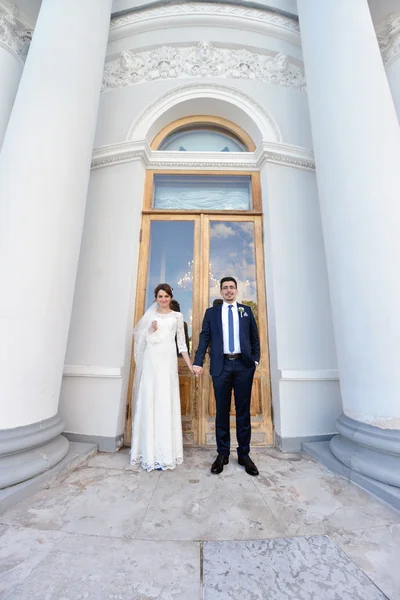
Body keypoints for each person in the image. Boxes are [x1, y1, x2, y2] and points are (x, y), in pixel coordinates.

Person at [193, 277, 260, 476]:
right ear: (220, 291)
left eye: (232, 287)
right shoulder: (211, 313)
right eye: (225, 288)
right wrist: (197, 361)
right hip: (220, 366)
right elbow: (204, 337)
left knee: (243, 411)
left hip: (243, 365)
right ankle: (222, 454)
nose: (229, 291)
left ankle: (244, 455)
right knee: (221, 411)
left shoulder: (246, 311)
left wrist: (254, 360)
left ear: (236, 290)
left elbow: (255, 337)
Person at [130, 283, 194, 471]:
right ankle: (148, 452)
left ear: (171, 297)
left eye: (166, 296)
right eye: (160, 296)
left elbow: (182, 345)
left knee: (165, 403)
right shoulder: (150, 317)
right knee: (150, 402)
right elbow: (139, 338)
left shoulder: (177, 317)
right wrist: (150, 330)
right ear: (156, 298)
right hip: (151, 363)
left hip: (167, 365)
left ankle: (166, 453)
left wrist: (190, 366)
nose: (164, 299)